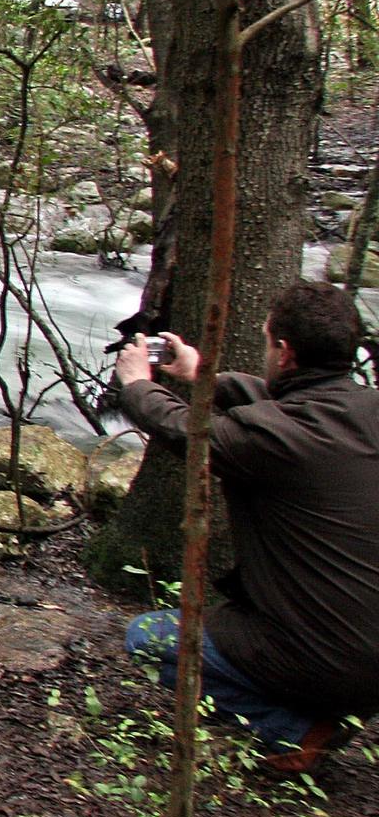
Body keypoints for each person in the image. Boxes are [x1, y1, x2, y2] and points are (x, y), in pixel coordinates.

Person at [116, 280, 379, 774]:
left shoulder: (280, 439)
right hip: (366, 649)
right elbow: (290, 406)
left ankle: (295, 733)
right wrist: (201, 374)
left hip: (332, 657)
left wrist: (136, 385)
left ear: (284, 352)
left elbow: (187, 430)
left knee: (149, 638)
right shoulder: (366, 409)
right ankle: (327, 708)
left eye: (267, 341)